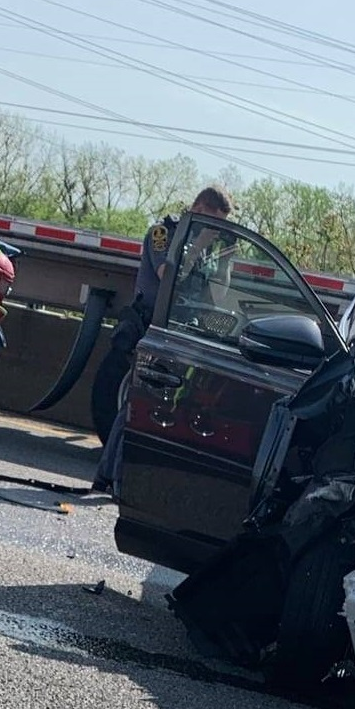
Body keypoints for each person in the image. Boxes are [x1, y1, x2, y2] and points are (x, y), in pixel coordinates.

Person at [89, 186, 234, 494]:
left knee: (143, 404)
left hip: (181, 333)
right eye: (211, 221)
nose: (212, 231)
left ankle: (107, 476)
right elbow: (167, 274)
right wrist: (197, 245)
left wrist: (224, 260)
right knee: (140, 403)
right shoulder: (163, 233)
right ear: (197, 207)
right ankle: (115, 478)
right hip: (151, 326)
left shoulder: (207, 250)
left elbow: (217, 295)